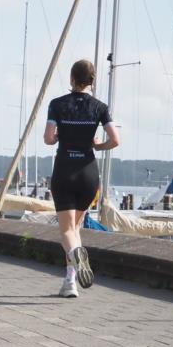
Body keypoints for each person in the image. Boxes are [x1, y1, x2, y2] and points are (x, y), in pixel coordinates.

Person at [43, 59, 119, 298]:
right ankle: (70, 282)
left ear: (71, 79)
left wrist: (56, 139)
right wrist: (98, 145)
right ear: (92, 80)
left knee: (67, 232)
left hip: (65, 169)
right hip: (88, 173)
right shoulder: (100, 107)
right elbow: (115, 140)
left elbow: (48, 138)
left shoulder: (57, 104)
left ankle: (76, 257)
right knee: (75, 229)